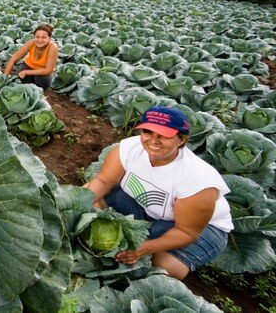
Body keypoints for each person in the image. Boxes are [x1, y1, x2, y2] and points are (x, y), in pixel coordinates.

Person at [85, 106, 233, 280]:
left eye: (164, 135)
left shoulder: (197, 181)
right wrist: (76, 206)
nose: (154, 141)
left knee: (163, 266)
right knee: (89, 196)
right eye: (148, 132)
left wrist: (143, 248)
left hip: (200, 229)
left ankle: (160, 248)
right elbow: (103, 181)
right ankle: (144, 233)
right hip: (148, 209)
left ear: (182, 140)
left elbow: (187, 232)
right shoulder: (128, 149)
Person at [2, 24, 59, 90]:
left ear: (50, 38)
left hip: (43, 71)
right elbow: (13, 58)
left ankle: (38, 91)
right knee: (17, 81)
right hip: (28, 66)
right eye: (37, 37)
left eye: (44, 37)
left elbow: (48, 70)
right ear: (34, 36)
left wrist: (26, 72)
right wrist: (5, 77)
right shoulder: (31, 43)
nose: (40, 40)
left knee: (44, 82)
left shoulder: (53, 47)